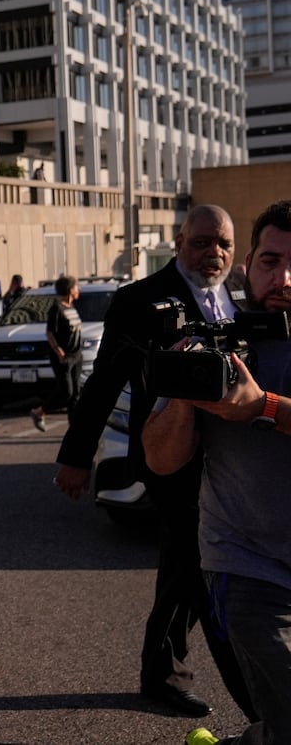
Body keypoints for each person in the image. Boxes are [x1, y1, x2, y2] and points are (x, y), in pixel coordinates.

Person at [54, 205, 255, 720]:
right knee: (194, 565)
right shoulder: (138, 300)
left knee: (188, 567)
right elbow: (102, 386)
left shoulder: (241, 297)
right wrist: (77, 457)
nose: (215, 253)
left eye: (224, 245)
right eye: (203, 242)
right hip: (170, 458)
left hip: (232, 458)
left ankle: (162, 669)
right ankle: (234, 694)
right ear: (180, 241)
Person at [144, 200, 291, 745]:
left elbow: (262, 407)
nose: (283, 279)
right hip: (247, 565)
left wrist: (264, 407)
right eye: (270, 261)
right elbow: (161, 459)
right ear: (248, 262)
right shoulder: (219, 342)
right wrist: (185, 394)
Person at [30, 275, 82, 432]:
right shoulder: (57, 308)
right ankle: (39, 412)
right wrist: (59, 351)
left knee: (76, 395)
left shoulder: (71, 307)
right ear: (70, 289)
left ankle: (74, 430)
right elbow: (50, 333)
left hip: (76, 355)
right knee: (66, 392)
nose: (78, 289)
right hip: (64, 357)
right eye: (76, 287)